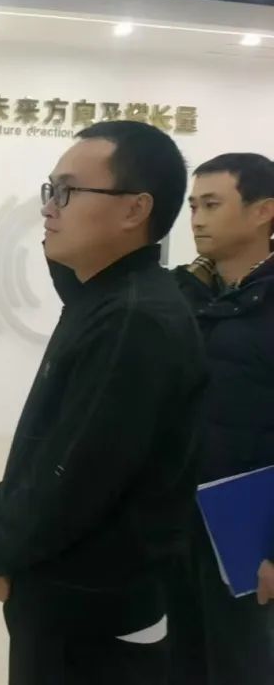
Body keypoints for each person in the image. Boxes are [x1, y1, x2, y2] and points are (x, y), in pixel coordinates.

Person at [0, 121, 207, 685]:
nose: (49, 208)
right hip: (76, 596)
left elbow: (73, 473)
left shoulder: (134, 320)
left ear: (135, 209)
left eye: (67, 191)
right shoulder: (108, 299)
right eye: (50, 189)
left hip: (93, 614)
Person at [168, 153, 274, 685]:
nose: (197, 219)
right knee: (180, 657)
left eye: (212, 205)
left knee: (241, 662)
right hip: (175, 517)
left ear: (263, 212)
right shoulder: (182, 294)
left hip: (248, 525)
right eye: (193, 206)